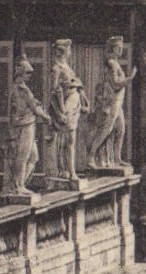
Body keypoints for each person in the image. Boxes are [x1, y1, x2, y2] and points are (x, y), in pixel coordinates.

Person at [84, 36, 136, 171]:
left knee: (121, 129)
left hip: (118, 103)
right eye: (119, 47)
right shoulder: (112, 63)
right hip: (113, 102)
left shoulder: (115, 63)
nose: (121, 50)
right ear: (113, 49)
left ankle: (117, 159)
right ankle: (90, 157)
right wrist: (130, 78)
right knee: (106, 129)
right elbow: (115, 84)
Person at [4, 58, 51, 196]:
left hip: (28, 123)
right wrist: (46, 117)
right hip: (25, 125)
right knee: (23, 156)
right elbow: (34, 107)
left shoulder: (19, 87)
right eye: (27, 73)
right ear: (21, 73)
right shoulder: (21, 89)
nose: (30, 75)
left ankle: (17, 184)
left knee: (33, 157)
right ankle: (18, 186)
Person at [48, 39, 89, 183]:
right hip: (64, 107)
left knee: (70, 140)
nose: (70, 52)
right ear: (61, 52)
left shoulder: (67, 67)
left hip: (73, 105)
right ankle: (67, 171)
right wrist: (59, 113)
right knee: (65, 140)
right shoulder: (56, 68)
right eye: (68, 49)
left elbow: (77, 86)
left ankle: (69, 170)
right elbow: (53, 92)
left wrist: (83, 100)